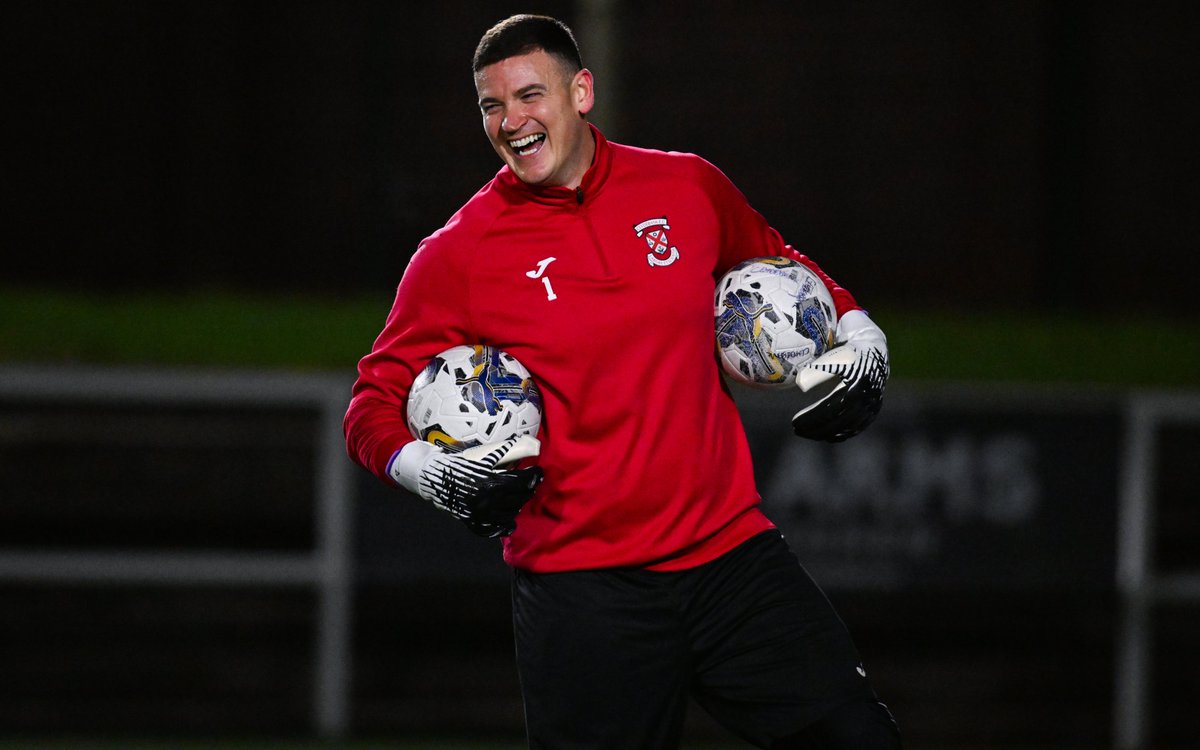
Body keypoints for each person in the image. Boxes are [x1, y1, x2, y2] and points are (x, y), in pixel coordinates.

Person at [344, 13, 899, 750]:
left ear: (581, 91)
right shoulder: (458, 254)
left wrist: (861, 333)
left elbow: (783, 264)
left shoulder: (688, 185)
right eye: (491, 105)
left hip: (731, 560)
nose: (512, 121)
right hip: (583, 594)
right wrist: (424, 470)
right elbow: (370, 405)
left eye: (529, 95)